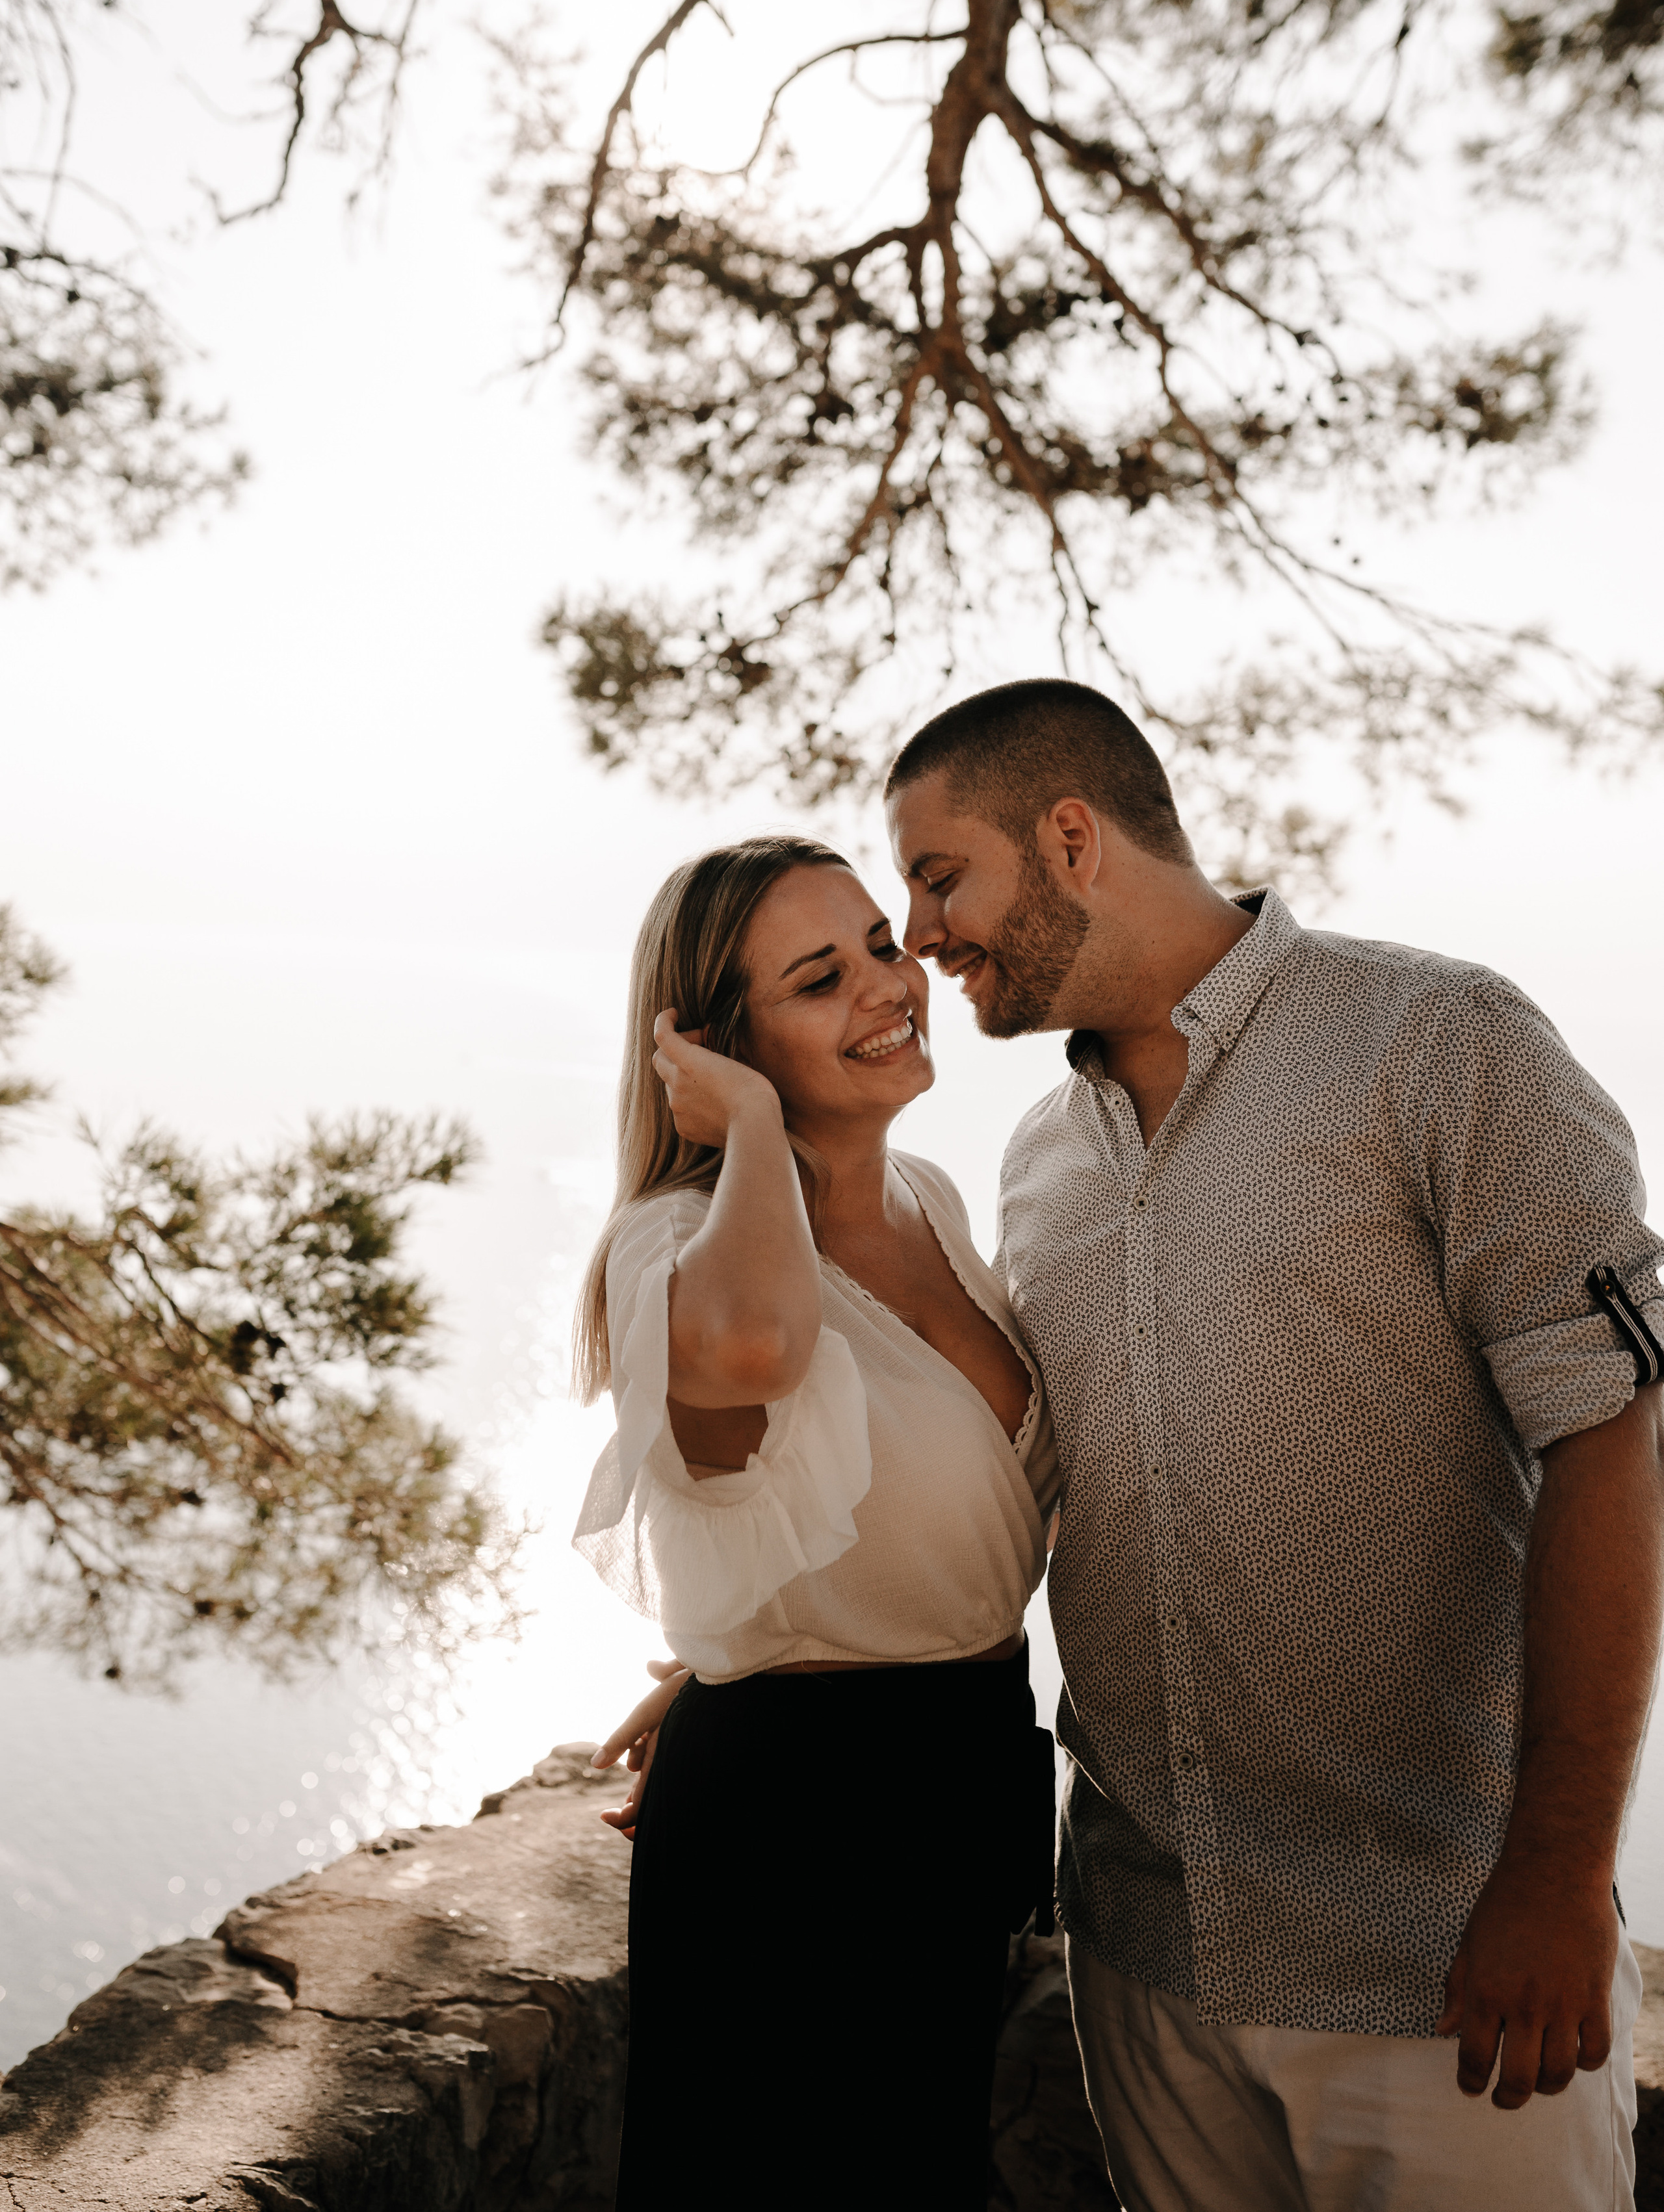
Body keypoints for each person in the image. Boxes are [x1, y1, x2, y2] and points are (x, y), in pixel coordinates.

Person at [879, 676, 1664, 2212]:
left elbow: (1612, 1433)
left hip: (1440, 1971)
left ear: (1067, 837)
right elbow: (1010, 1490)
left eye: (936, 874)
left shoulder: (1435, 1039)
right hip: (1144, 1975)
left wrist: (1562, 1877)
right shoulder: (1037, 1160)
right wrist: (756, 1646)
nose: (918, 934)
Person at [570, 833, 1060, 2209]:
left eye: (882, 948)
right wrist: (760, 1143)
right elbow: (753, 1354)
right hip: (798, 1830)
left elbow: (931, 1512)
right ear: (720, 1050)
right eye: (816, 977)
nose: (885, 988)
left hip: (953, 1777)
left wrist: (726, 1638)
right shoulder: (667, 1238)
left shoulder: (933, 1205)